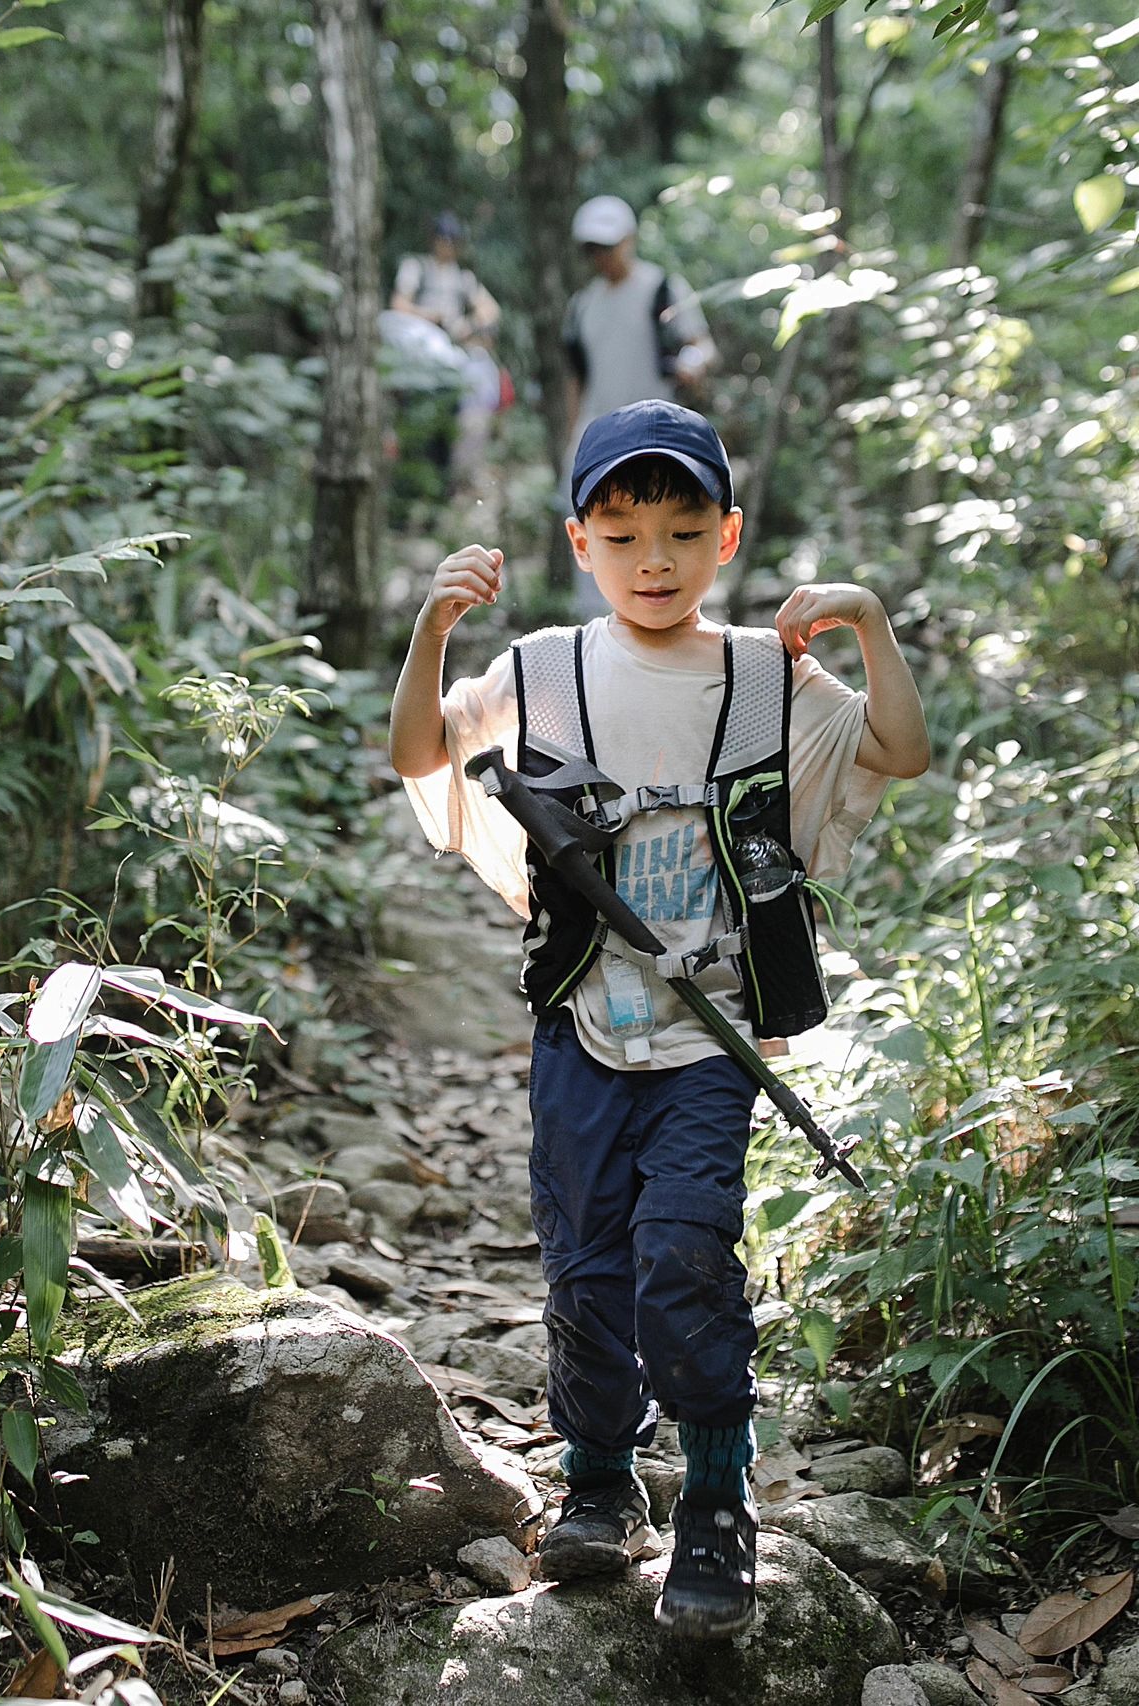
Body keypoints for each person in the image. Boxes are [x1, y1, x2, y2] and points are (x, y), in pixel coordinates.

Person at [389, 399, 929, 1639]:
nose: (653, 559)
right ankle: (596, 1477)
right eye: (622, 533)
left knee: (683, 1254)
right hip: (577, 1026)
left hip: (710, 1038)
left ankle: (716, 1503)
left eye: (683, 531)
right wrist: (432, 629)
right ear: (578, 542)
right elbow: (419, 750)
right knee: (585, 1271)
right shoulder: (541, 671)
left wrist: (868, 624)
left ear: (724, 537)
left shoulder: (764, 674)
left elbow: (895, 749)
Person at [562, 196, 717, 481]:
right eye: (592, 249)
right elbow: (576, 377)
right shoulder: (582, 304)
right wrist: (573, 438)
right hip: (598, 436)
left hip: (656, 433)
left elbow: (703, 345)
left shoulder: (662, 288)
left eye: (608, 246)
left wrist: (692, 363)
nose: (601, 256)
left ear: (629, 239)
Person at [391, 213, 502, 492]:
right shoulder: (416, 268)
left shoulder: (463, 278)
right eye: (444, 240)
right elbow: (399, 304)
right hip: (419, 354)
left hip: (452, 356)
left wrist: (467, 325)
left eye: (453, 241)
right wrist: (430, 316)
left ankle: (459, 480)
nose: (448, 246)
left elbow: (490, 310)